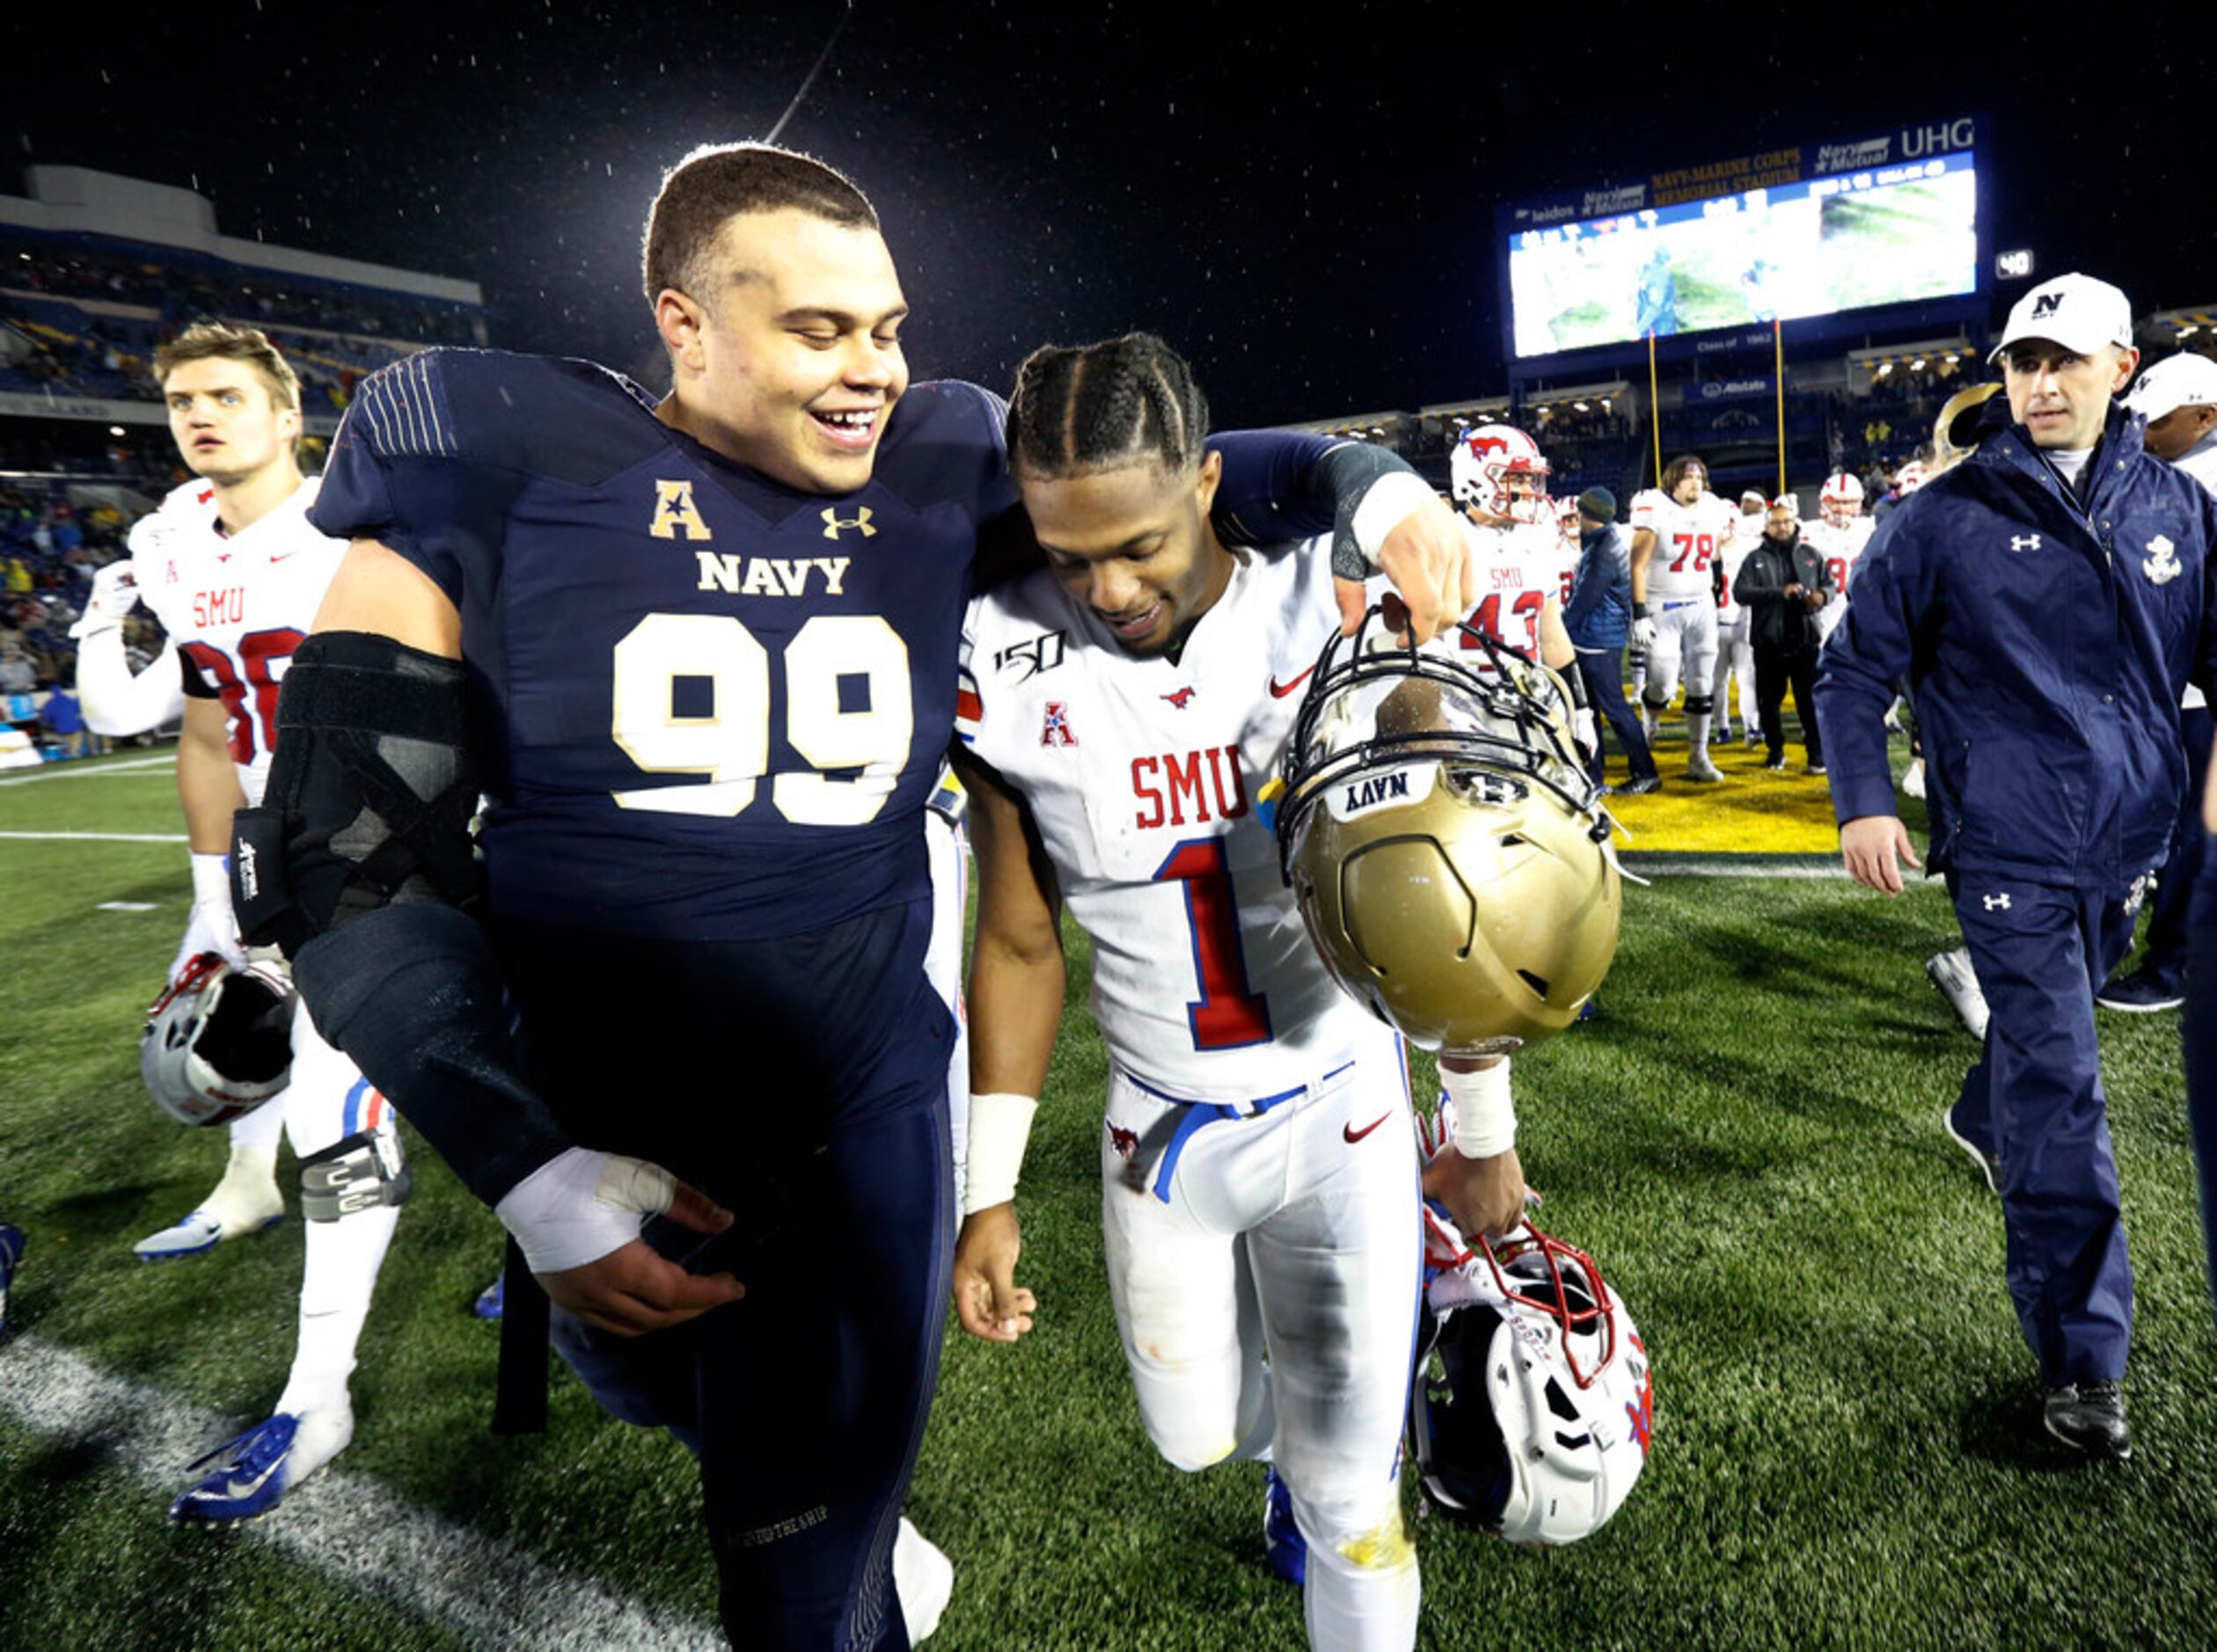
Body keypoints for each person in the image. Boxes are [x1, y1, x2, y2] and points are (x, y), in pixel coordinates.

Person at [244, 144, 1471, 1649]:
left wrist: (1375, 478)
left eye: (887, 328)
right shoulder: (493, 454)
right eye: (819, 328)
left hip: (851, 1105)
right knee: (652, 1386)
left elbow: (1210, 472)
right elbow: (348, 852)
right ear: (683, 322)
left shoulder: (946, 461)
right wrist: (525, 1165)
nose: (872, 369)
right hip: (592, 1102)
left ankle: (846, 1548)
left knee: (795, 1561)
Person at [948, 335, 1521, 1652]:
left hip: (1340, 1107)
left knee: (1347, 1498)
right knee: (1195, 1433)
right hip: (1160, 1121)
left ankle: (1361, 1422)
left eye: (1137, 542)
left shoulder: (1320, 602)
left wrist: (1478, 1133)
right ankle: (1315, 1421)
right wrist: (988, 1187)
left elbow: (1448, 904)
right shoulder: (998, 643)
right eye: (1068, 551)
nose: (1106, 585)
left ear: (1208, 483)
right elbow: (1022, 937)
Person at [1814, 272, 2217, 1461]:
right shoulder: (1939, 516)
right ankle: (2084, 1362)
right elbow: (1851, 674)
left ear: (2120, 369)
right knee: (2066, 1093)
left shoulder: (2180, 512)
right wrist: (1865, 804)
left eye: (2064, 362)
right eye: (2022, 363)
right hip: (2008, 848)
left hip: (2129, 844)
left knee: (2049, 1051)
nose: (2040, 383)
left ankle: (1981, 1104)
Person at [112, 323, 409, 1523]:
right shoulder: (174, 547)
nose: (201, 414)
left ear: (292, 416)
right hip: (279, 853)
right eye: (182, 398)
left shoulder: (361, 526)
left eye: (228, 395)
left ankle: (566, 1242)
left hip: (398, 836)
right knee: (339, 1102)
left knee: (451, 1080)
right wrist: (209, 904)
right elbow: (204, 734)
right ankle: (318, 1388)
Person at [2096, 352, 2217, 1012]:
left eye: (2158, 421)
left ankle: (2175, 964)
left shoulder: (2195, 483)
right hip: (2181, 684)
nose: (2142, 434)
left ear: (2205, 416)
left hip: (2195, 690)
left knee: (2189, 828)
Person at [1628, 454, 1736, 781]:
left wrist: (1715, 580)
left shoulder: (1713, 507)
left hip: (1701, 605)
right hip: (1664, 606)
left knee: (1702, 681)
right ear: (1672, 480)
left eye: (1700, 478)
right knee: (1661, 682)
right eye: (1689, 477)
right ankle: (1651, 722)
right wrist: (1639, 613)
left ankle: (1698, 755)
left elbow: (1714, 551)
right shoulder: (1655, 508)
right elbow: (1637, 565)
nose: (1696, 484)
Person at [1562, 486, 1658, 793]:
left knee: (1613, 709)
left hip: (1596, 639)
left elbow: (1584, 601)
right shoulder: (1608, 542)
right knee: (1591, 711)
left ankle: (1645, 771)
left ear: (1584, 514)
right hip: (1599, 636)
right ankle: (1595, 776)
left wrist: (1557, 630)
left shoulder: (1603, 549)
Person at [1735, 499, 1830, 774]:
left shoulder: (1811, 553)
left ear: (1795, 522)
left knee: (1809, 702)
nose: (1782, 527)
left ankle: (1816, 754)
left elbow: (1830, 585)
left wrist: (1821, 597)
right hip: (1769, 642)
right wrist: (1779, 593)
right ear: (1766, 526)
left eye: (1786, 521)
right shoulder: (1755, 558)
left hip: (1805, 640)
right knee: (1769, 702)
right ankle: (1775, 751)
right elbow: (1740, 593)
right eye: (1776, 523)